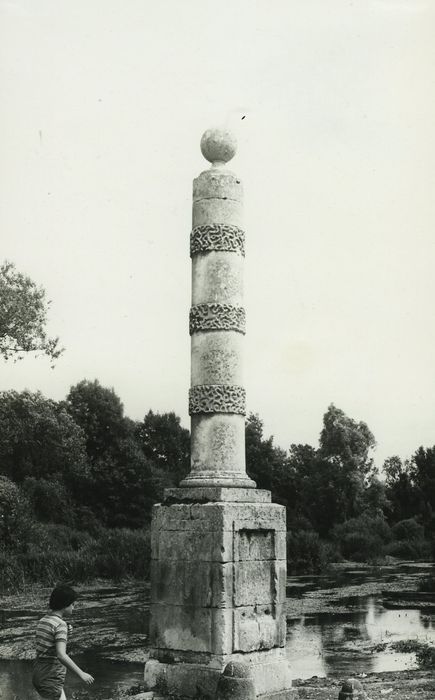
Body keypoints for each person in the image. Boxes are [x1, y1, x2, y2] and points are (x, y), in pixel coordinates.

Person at [32, 584, 94, 699]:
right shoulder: (60, 625)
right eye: (72, 604)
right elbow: (61, 655)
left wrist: (64, 633)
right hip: (51, 676)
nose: (73, 608)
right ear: (65, 605)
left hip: (39, 674)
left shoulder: (43, 620)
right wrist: (81, 674)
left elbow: (48, 643)